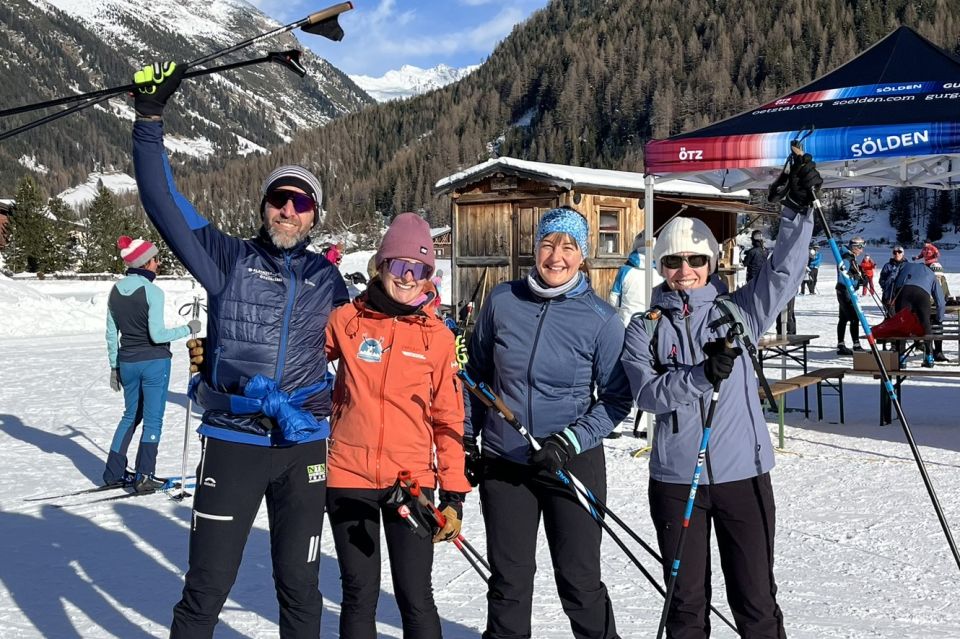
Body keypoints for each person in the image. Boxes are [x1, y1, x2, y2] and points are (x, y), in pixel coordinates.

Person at [130, 61, 350, 638]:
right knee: (206, 589)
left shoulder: (330, 283)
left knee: (302, 592)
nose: (288, 209)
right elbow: (162, 200)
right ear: (264, 205)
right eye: (280, 198)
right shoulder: (227, 259)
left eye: (302, 203)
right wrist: (150, 117)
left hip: (304, 447)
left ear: (314, 216)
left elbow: (376, 335)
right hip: (234, 442)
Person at [621, 150, 819, 638]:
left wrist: (798, 211)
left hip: (742, 474)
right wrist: (699, 376)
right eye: (672, 260)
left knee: (755, 600)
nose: (684, 269)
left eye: (694, 259)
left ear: (711, 262)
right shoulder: (642, 328)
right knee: (686, 607)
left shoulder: (739, 312)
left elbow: (783, 274)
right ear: (661, 266)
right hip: (674, 479)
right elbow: (647, 394)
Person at [464, 207, 632, 639]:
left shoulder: (601, 319)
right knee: (508, 582)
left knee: (579, 583)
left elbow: (616, 400)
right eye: (548, 243)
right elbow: (477, 378)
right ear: (535, 248)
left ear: (583, 255)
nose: (556, 255)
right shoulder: (502, 300)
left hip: (569, 462)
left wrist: (568, 440)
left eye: (569, 246)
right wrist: (466, 438)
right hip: (505, 461)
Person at [324, 213, 469, 639]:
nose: (408, 278)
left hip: (412, 482)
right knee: (358, 592)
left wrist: (455, 495)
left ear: (429, 277)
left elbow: (449, 420)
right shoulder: (345, 322)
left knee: (415, 594)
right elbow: (298, 366)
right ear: (381, 266)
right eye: (399, 266)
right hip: (348, 475)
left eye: (419, 270)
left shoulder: (438, 338)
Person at [104, 235, 198, 491]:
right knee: (153, 419)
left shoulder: (115, 290)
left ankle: (113, 472)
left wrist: (114, 366)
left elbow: (112, 333)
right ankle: (144, 475)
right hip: (154, 362)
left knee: (129, 416)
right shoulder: (152, 292)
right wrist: (187, 328)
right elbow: (158, 335)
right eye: (155, 259)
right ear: (146, 263)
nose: (158, 264)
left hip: (127, 362)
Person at [890, 261, 946, 367]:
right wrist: (939, 319)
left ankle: (901, 358)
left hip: (903, 291)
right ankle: (929, 357)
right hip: (922, 294)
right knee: (926, 324)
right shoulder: (930, 273)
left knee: (902, 326)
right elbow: (940, 302)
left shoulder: (904, 266)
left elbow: (893, 281)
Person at [609, 233, 662, 326]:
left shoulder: (624, 271)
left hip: (627, 323)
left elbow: (613, 299)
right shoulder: (661, 272)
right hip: (654, 324)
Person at [836, 237, 866, 355]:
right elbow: (843, 278)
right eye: (861, 248)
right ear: (855, 247)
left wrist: (859, 276)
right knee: (854, 318)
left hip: (844, 291)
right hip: (845, 291)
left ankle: (841, 345)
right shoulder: (847, 258)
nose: (861, 251)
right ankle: (856, 344)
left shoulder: (849, 257)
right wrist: (857, 281)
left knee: (843, 318)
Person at [930, 262, 951, 362]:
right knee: (929, 327)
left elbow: (946, 294)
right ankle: (928, 351)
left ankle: (938, 351)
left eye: (939, 276)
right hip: (927, 310)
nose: (937, 277)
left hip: (939, 309)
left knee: (939, 326)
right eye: (936, 276)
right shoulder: (927, 280)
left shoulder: (943, 280)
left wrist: (947, 300)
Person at [879, 245, 906, 311]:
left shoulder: (907, 266)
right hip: (889, 296)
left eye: (899, 252)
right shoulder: (888, 266)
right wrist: (887, 286)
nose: (897, 254)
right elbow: (882, 280)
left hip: (903, 296)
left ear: (903, 253)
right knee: (890, 316)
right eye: (895, 252)